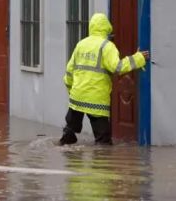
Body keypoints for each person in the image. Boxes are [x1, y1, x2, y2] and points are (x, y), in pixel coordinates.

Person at [59, 13, 149, 145]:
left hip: (77, 96)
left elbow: (69, 71)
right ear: (107, 28)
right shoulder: (107, 46)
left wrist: (71, 90)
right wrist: (138, 58)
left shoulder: (81, 44)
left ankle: (69, 159)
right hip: (96, 99)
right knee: (103, 141)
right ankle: (101, 163)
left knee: (69, 131)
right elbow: (117, 67)